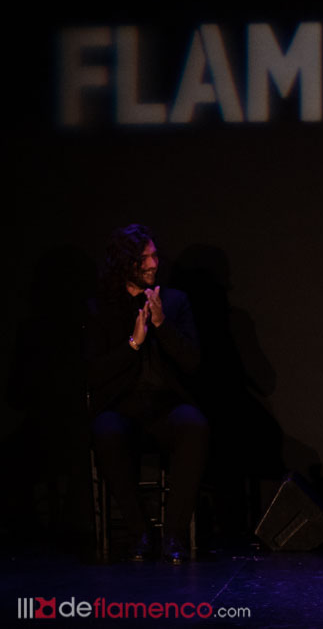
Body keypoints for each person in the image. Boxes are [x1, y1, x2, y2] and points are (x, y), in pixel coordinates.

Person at [85, 224, 209, 562]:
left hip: (167, 406)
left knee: (194, 425)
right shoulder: (100, 308)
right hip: (121, 407)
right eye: (144, 259)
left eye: (154, 256)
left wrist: (161, 325)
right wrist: (133, 344)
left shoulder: (175, 301)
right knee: (105, 430)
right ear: (125, 263)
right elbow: (93, 373)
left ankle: (174, 535)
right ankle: (138, 531)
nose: (154, 264)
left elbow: (192, 362)